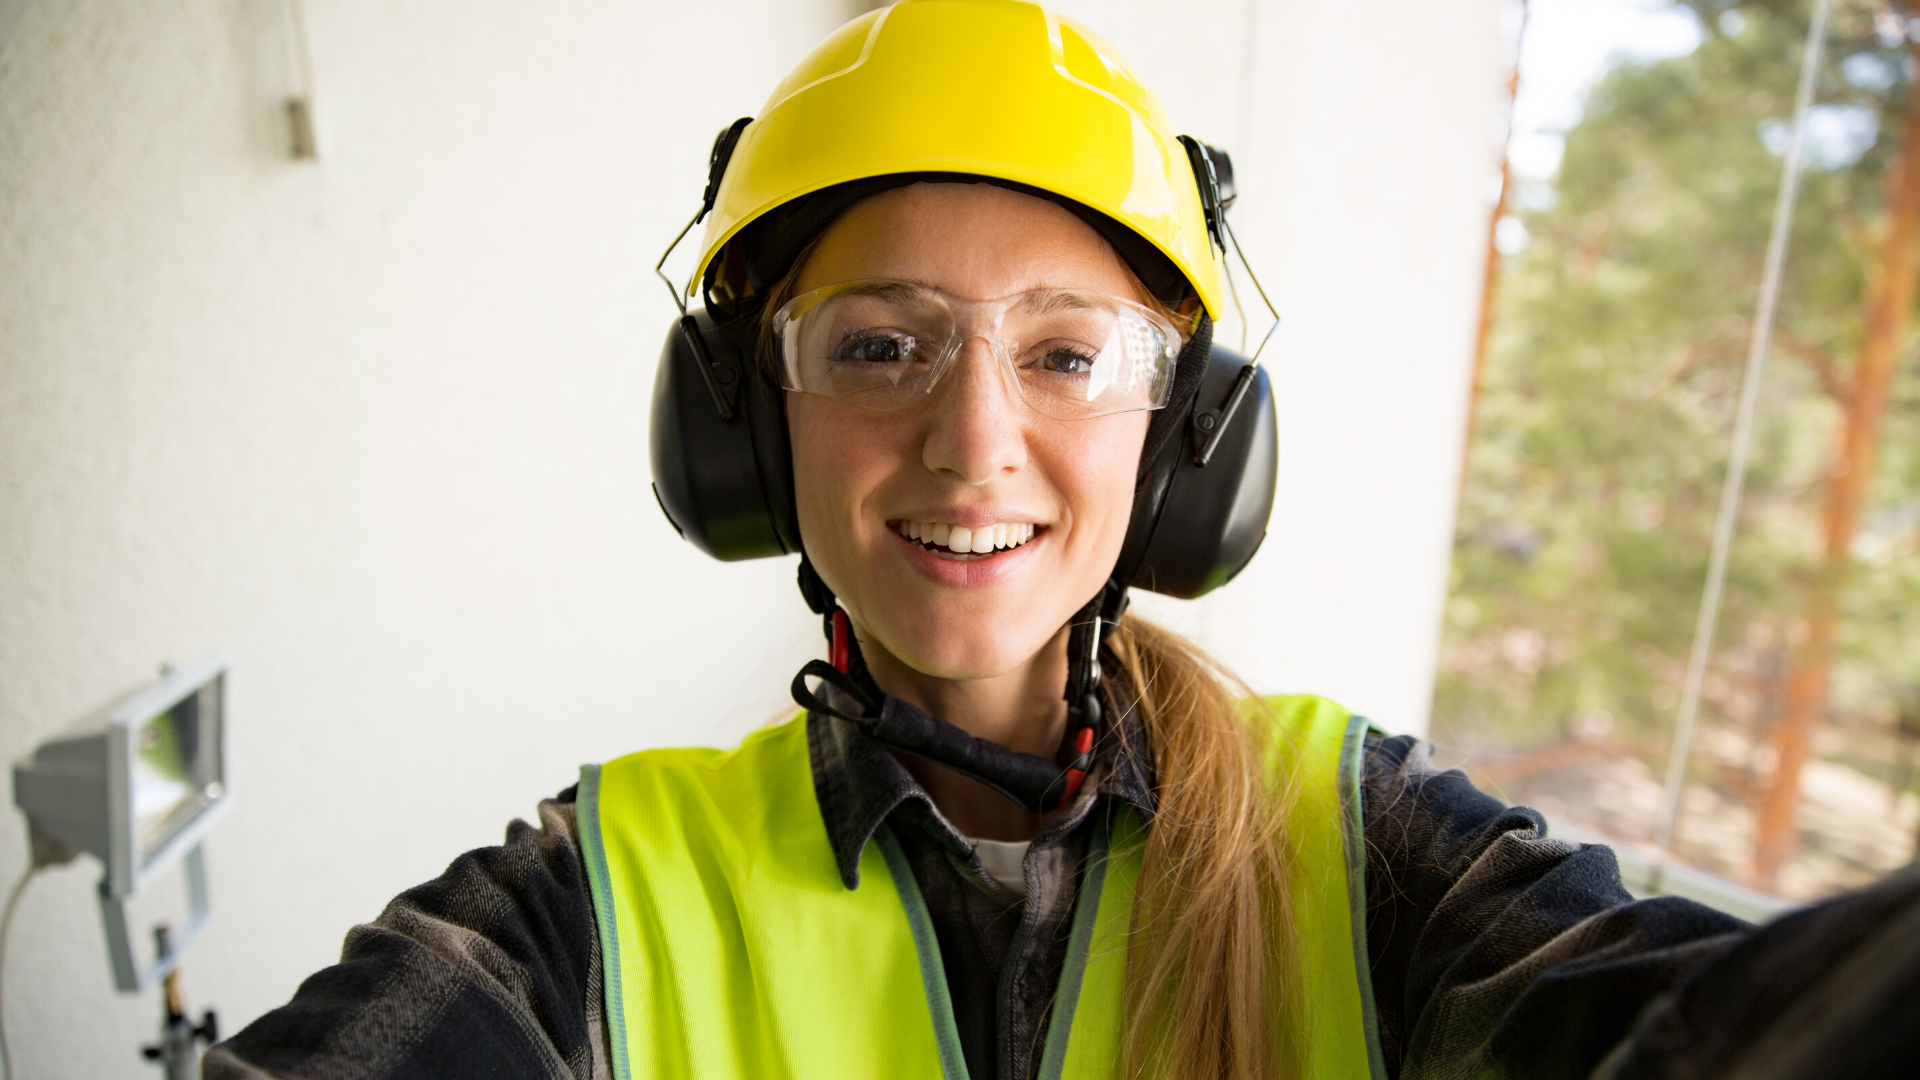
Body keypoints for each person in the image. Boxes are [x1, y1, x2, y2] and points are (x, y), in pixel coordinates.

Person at [207, 3, 1920, 1079]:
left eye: (1067, 355)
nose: (972, 441)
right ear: (745, 425)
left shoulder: (1364, 848)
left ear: (1183, 441)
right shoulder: (608, 889)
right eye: (877, 346)